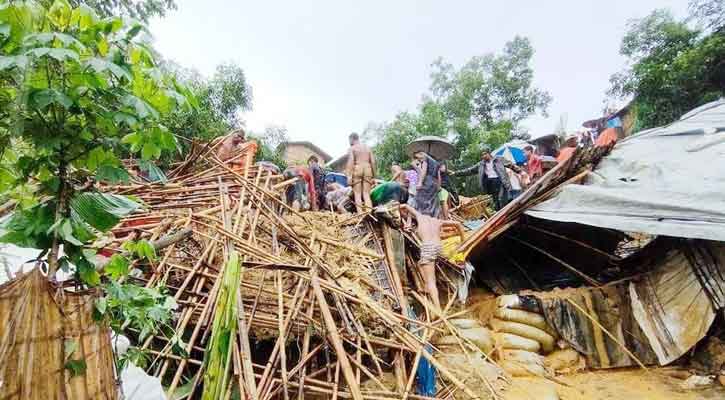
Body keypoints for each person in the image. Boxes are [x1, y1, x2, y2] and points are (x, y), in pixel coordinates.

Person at [399, 204, 465, 309]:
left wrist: (398, 206)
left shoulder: (420, 217)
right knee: (420, 263)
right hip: (439, 247)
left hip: (428, 247)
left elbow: (406, 206)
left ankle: (438, 309)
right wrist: (463, 241)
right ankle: (426, 286)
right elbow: (458, 224)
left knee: (431, 282)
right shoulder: (437, 221)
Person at [453, 146, 511, 211]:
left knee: (502, 199)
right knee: (495, 200)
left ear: (489, 153)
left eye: (485, 154)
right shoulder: (481, 164)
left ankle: (505, 212)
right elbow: (469, 170)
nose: (484, 156)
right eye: (482, 155)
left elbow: (510, 165)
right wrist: (455, 173)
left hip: (501, 182)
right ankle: (498, 213)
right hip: (491, 183)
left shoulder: (499, 159)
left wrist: (519, 171)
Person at [345, 133, 376, 212]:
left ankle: (360, 215)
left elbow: (351, 162)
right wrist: (374, 176)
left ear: (352, 139)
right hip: (367, 169)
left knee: (357, 194)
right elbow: (373, 162)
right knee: (366, 194)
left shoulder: (352, 148)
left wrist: (349, 176)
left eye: (349, 140)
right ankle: (369, 213)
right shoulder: (368, 148)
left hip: (357, 169)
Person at [412, 151, 441, 217]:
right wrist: (439, 186)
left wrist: (420, 182)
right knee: (432, 203)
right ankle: (432, 219)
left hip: (427, 182)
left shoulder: (425, 159)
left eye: (417, 157)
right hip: (435, 184)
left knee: (420, 200)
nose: (418, 160)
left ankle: (423, 218)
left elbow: (424, 172)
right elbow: (438, 176)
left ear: (420, 154)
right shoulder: (436, 163)